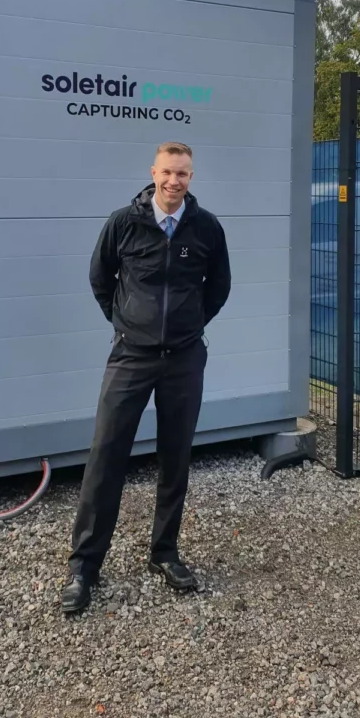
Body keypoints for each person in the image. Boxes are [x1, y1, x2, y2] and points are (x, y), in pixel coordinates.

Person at [61, 141, 232, 613]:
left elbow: (219, 287)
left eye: (183, 174)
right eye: (167, 173)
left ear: (191, 177)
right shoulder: (124, 222)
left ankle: (165, 552)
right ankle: (84, 567)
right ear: (152, 173)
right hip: (130, 358)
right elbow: (101, 279)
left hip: (184, 359)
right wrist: (127, 323)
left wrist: (188, 325)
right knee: (106, 456)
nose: (174, 181)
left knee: (175, 457)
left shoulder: (206, 228)